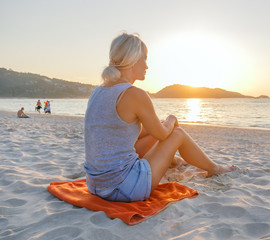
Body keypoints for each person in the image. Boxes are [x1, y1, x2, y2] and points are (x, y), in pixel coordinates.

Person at [84, 32, 235, 202]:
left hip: (96, 186)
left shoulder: (98, 92)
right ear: (132, 60)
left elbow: (125, 133)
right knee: (177, 134)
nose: (147, 66)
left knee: (152, 130)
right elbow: (162, 135)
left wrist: (160, 126)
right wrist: (171, 119)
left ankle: (173, 161)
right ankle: (214, 168)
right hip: (123, 188)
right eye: (145, 59)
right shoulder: (134, 94)